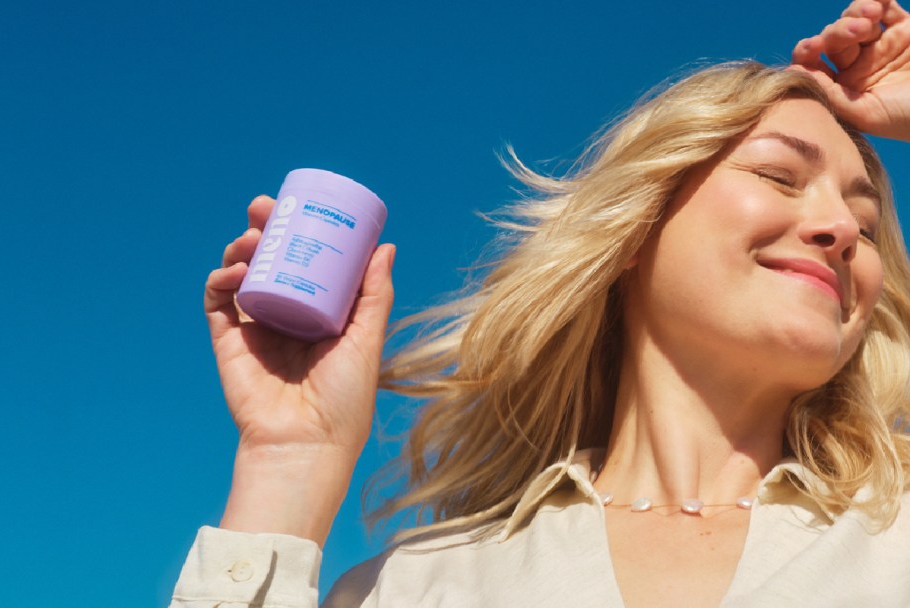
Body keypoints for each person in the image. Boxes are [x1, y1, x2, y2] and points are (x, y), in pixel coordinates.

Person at [170, 1, 910, 606]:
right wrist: (289, 460)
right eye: (779, 176)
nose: (842, 229)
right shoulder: (416, 586)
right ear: (636, 227)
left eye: (868, 223)